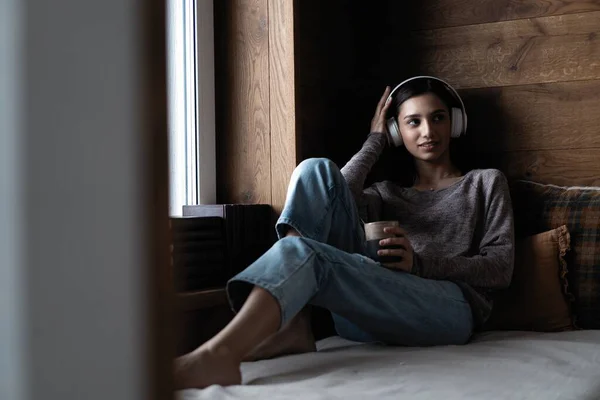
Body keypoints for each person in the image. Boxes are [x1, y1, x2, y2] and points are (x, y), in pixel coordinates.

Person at [174, 76, 515, 389]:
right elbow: (332, 190)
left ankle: (225, 351)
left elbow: (500, 266)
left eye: (438, 117)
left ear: (454, 123)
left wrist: (420, 265)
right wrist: (374, 141)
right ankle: (297, 318)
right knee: (314, 170)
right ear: (398, 132)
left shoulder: (485, 183)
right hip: (368, 312)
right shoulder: (384, 193)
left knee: (305, 252)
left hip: (449, 312)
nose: (428, 130)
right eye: (413, 121)